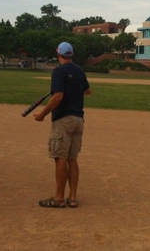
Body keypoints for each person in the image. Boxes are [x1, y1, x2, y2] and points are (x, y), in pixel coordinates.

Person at [33, 41, 91, 208]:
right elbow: (88, 90)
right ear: (71, 55)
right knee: (72, 159)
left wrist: (42, 114)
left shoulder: (59, 71)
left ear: (59, 54)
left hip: (63, 120)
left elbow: (57, 97)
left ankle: (58, 197)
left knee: (60, 159)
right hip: (78, 120)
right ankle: (72, 198)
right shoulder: (79, 70)